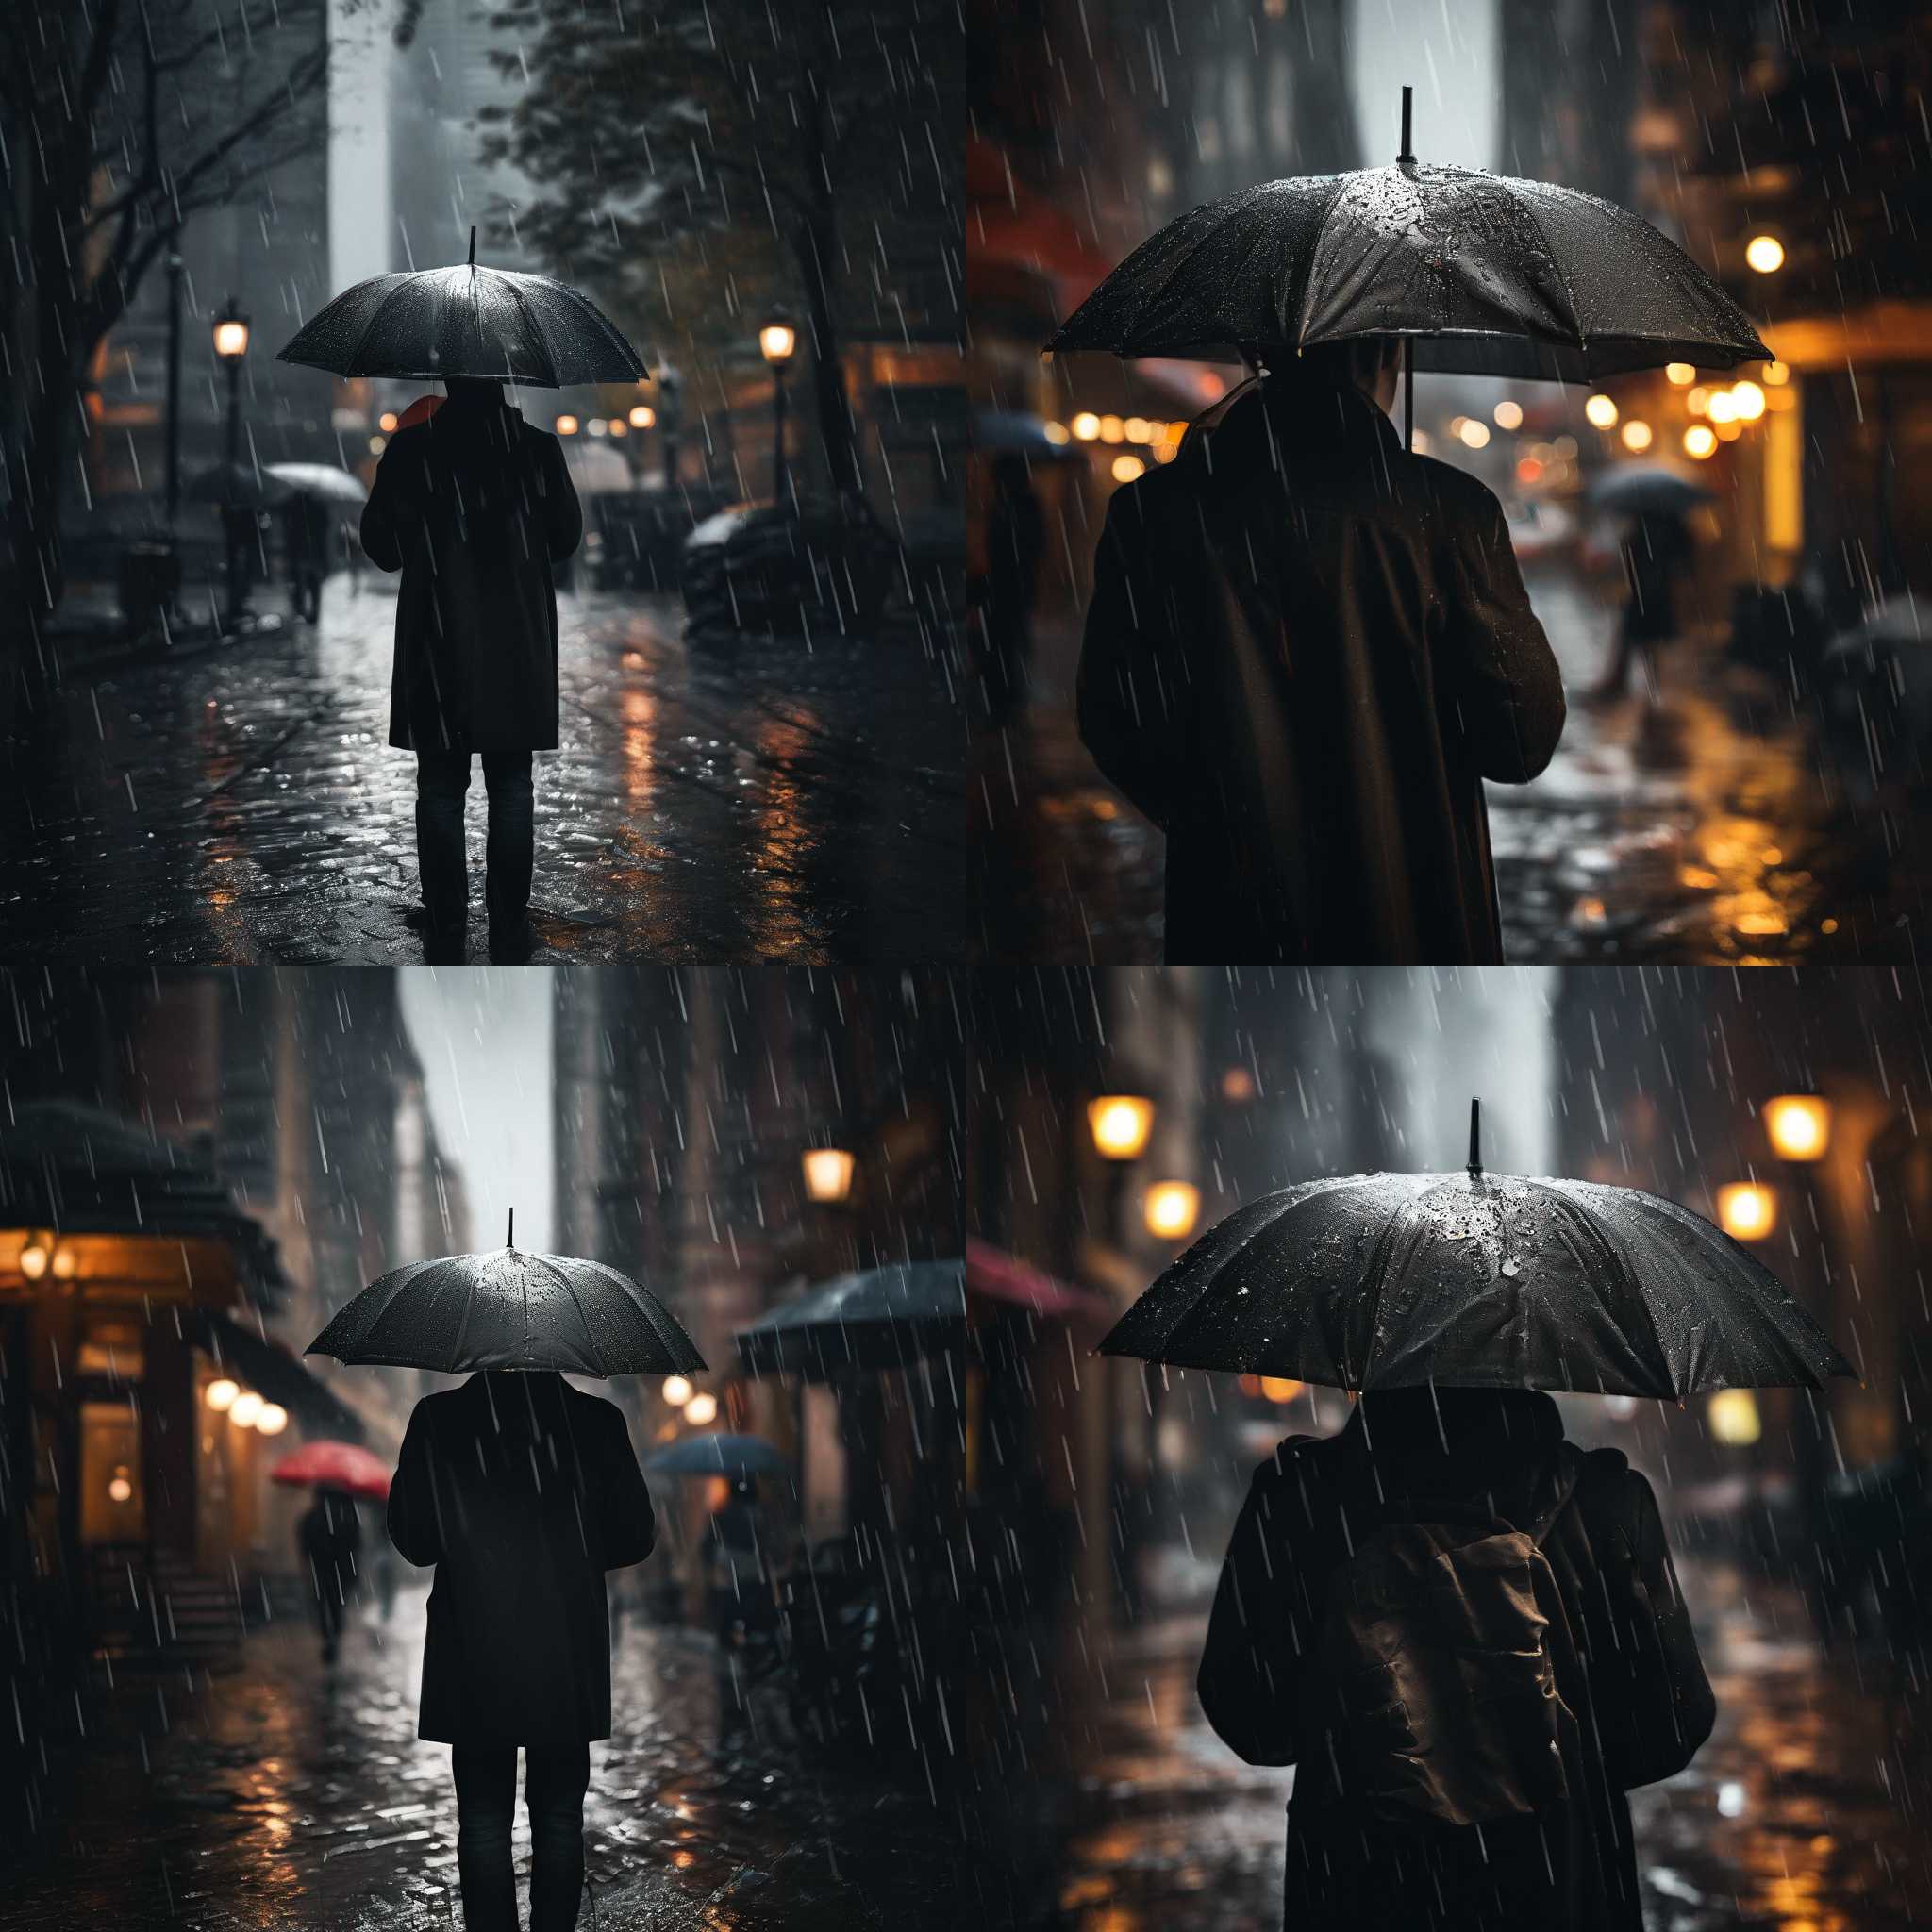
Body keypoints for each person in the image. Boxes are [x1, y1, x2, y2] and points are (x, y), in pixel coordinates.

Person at [1076, 341, 1566, 964]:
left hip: (1229, 912)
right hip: (1415, 913)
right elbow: (1521, 743)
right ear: (1390, 351)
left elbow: (1116, 722)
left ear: (1258, 352)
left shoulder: (1151, 513)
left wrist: (1223, 812)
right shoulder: (1451, 515)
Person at [1199, 1387, 1716, 1932]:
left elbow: (1254, 1722)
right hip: (1559, 1885)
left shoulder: (1296, 1496)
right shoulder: (1607, 1500)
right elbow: (1667, 1732)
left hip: (1359, 1886)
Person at [387, 1370, 655, 1932]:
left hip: (473, 1639)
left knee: (483, 1819)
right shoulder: (596, 1421)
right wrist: (567, 1551)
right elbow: (635, 1535)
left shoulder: (440, 1420)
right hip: (564, 1638)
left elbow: (414, 1540)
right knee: (559, 1815)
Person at [359, 375, 583, 964]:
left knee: (439, 786)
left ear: (447, 375)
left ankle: (447, 919)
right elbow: (565, 538)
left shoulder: (414, 447)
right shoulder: (537, 447)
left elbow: (381, 547)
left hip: (438, 636)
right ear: (507, 374)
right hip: (515, 638)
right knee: (511, 784)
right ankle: (509, 922)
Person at [1588, 508, 1693, 704]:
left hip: (1645, 590)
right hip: (1656, 590)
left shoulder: (1643, 524)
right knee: (1644, 639)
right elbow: (1683, 557)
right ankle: (1649, 687)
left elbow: (1631, 554)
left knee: (1637, 637)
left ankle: (1639, 686)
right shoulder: (1673, 525)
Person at [979, 453, 1046, 725]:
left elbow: (1026, 546)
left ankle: (1006, 702)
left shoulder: (1015, 506)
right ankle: (1007, 700)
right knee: (1008, 642)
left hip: (1008, 586)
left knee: (1006, 643)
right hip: (1010, 585)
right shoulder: (1015, 505)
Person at [296, 1486, 362, 1665]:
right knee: (336, 1607)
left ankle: (330, 1638)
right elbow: (356, 1545)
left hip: (323, 1572)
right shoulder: (347, 1516)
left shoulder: (312, 1518)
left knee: (325, 1605)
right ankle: (333, 1638)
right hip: (338, 1572)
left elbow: (304, 1546)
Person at [280, 491, 330, 624]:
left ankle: (302, 611)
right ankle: (312, 612)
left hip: (301, 553)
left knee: (300, 583)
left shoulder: (294, 506)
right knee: (313, 585)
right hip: (313, 553)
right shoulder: (318, 507)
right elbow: (324, 531)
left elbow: (289, 530)